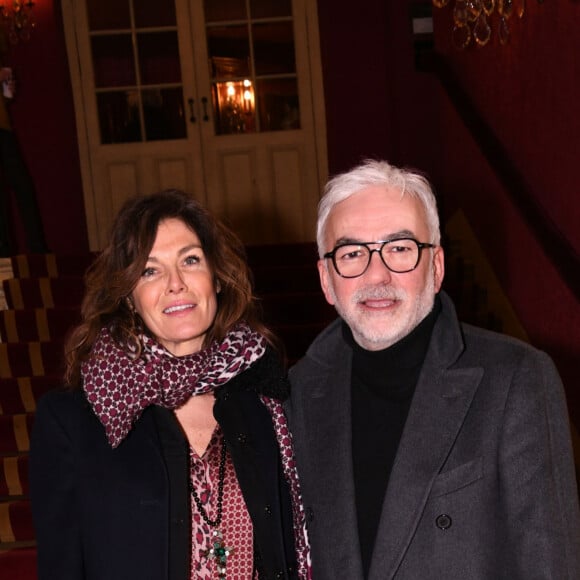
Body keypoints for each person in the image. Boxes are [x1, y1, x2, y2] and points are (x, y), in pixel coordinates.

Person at [286, 159, 580, 579]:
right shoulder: (298, 392)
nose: (378, 274)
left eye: (400, 249)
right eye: (352, 253)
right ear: (326, 279)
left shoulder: (517, 379)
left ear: (436, 267)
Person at [29, 189, 310, 580]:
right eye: (150, 270)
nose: (175, 283)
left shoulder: (268, 399)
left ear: (217, 278)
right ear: (129, 297)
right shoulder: (73, 421)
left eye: (190, 260)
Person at [0, 29, 48, 256]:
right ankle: (3, 252)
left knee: (23, 187)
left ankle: (37, 251)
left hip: (3, 127)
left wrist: (8, 88)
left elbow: (6, 99)